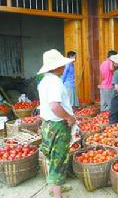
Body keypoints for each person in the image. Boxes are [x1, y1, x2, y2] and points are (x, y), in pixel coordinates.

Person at [37, 49, 76, 198]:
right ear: (55, 67)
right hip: (58, 125)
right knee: (59, 160)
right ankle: (57, 195)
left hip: (47, 125)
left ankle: (54, 188)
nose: (63, 67)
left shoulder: (44, 81)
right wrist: (69, 118)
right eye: (61, 65)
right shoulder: (55, 82)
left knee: (51, 157)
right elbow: (55, 106)